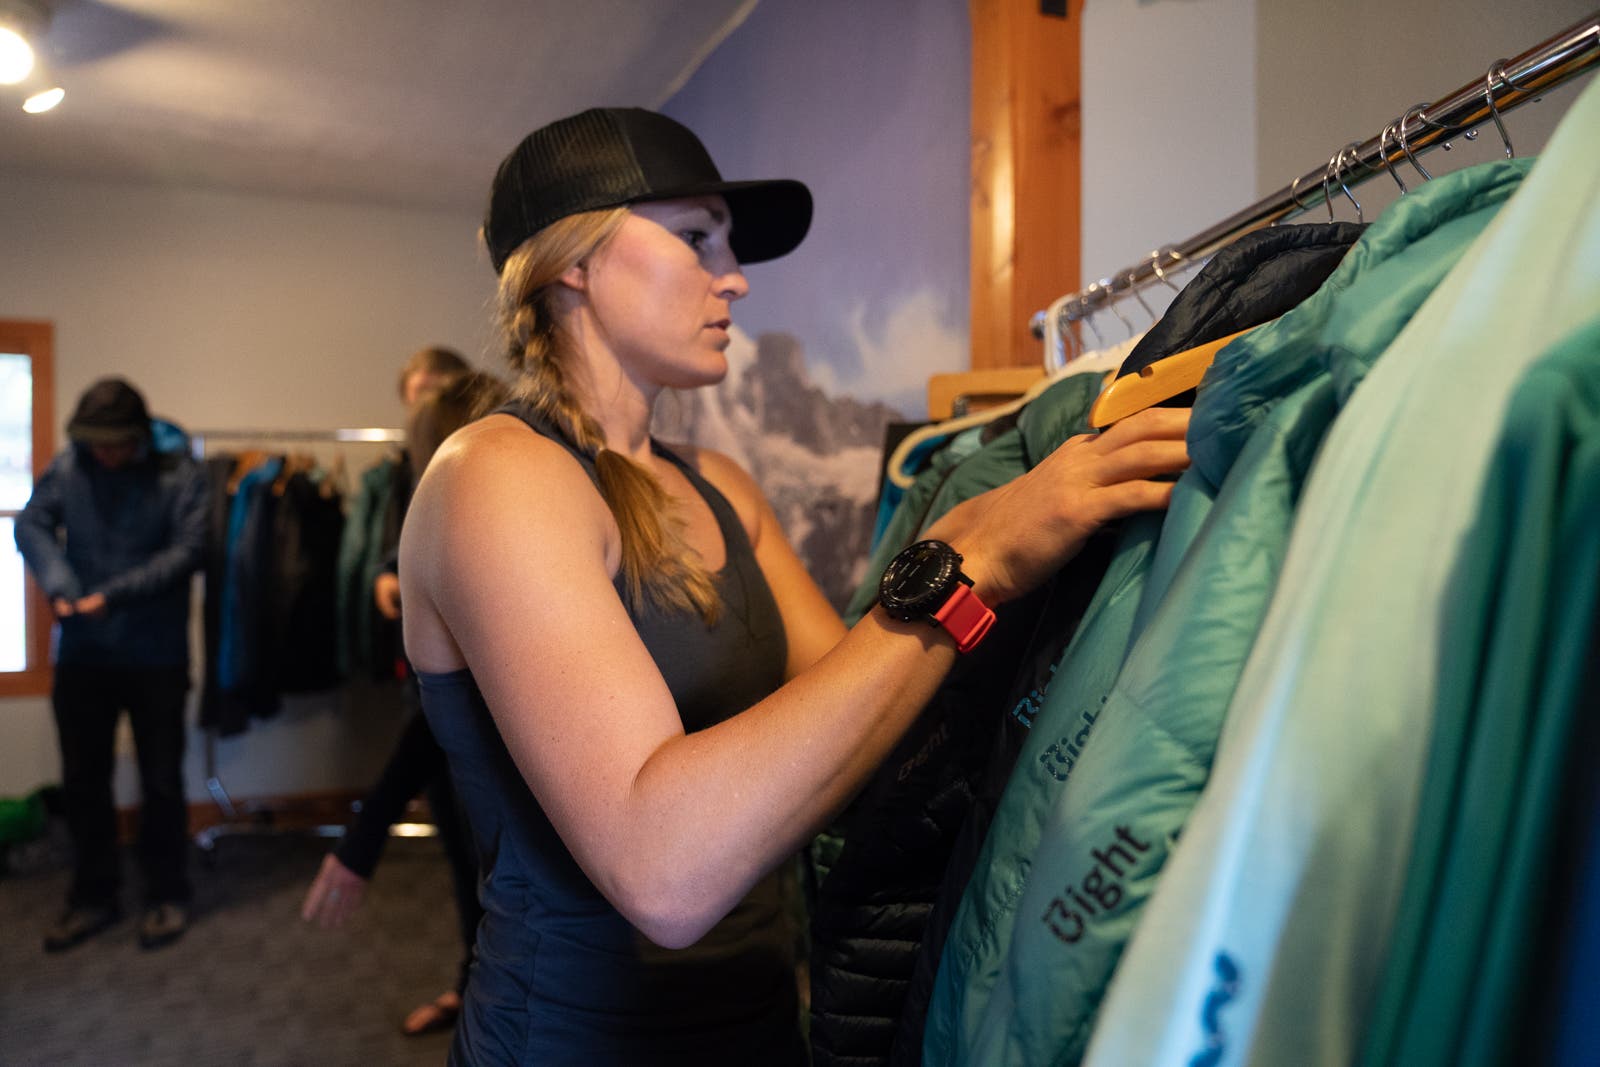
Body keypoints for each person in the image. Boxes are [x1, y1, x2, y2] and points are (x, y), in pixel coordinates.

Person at [399, 107, 1192, 1064]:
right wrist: (961, 561)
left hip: (766, 1022)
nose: (733, 277)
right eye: (696, 238)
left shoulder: (720, 486)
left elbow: (861, 724)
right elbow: (665, 869)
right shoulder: (496, 475)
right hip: (575, 1039)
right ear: (574, 261)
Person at [301, 369, 508, 1037]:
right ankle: (470, 985)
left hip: (500, 752)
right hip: (461, 742)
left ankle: (482, 1000)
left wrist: (363, 837)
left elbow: (444, 710)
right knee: (470, 870)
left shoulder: (496, 533)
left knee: (504, 886)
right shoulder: (447, 518)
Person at [15, 377, 209, 952]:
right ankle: (93, 896)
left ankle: (167, 893)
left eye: (113, 443)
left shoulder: (180, 474)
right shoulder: (71, 465)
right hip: (82, 655)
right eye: (94, 442)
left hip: (156, 656)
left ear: (138, 437)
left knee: (160, 780)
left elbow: (190, 552)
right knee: (83, 781)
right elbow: (30, 524)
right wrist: (59, 583)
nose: (103, 453)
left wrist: (114, 594)